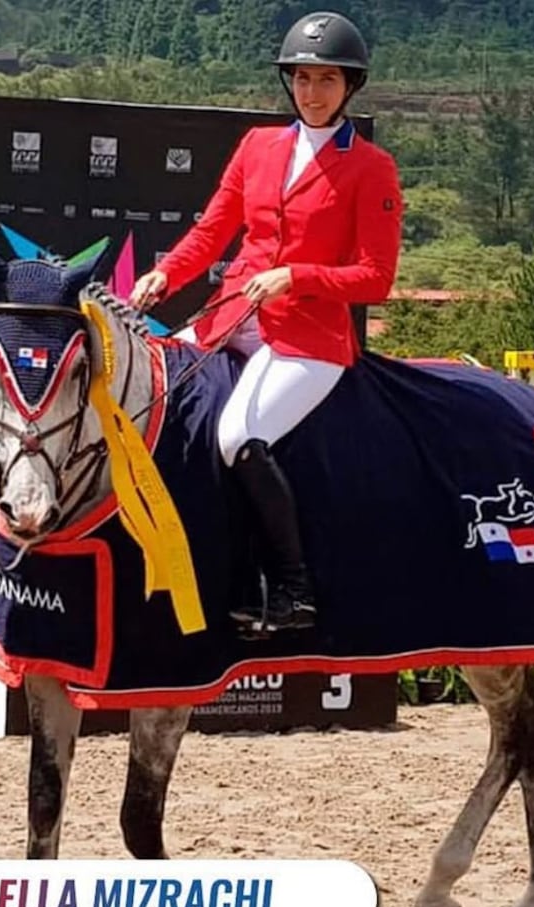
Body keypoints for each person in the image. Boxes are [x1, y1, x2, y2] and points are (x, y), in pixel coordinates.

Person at [129, 10, 404, 634]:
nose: (312, 92)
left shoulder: (371, 168)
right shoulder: (258, 147)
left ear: (349, 87)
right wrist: (165, 277)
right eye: (303, 79)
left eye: (327, 80)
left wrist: (297, 276)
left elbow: (375, 277)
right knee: (157, 399)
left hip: (310, 341)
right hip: (232, 315)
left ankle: (293, 590)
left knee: (235, 437)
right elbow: (213, 231)